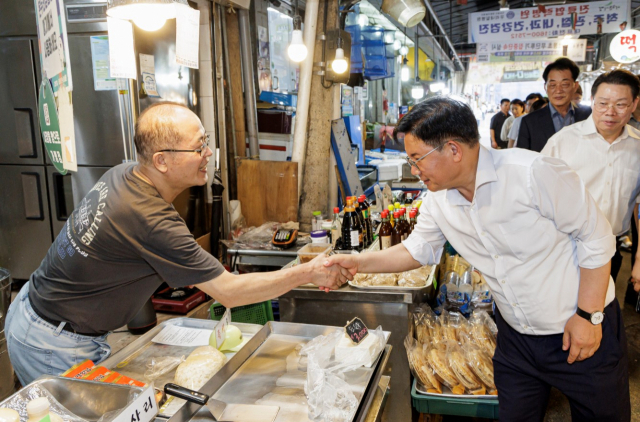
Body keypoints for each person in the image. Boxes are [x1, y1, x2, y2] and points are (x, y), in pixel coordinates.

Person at [328, 97, 630, 422]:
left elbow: (596, 237)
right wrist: (357, 263)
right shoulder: (438, 202)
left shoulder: (533, 173)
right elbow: (417, 250)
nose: (414, 171)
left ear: (454, 150)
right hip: (516, 341)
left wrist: (589, 315)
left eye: (418, 160)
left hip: (579, 327)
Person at [5, 102, 348, 385]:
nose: (208, 153)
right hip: (52, 340)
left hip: (41, 313)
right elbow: (229, 292)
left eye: (206, 141)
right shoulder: (149, 217)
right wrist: (308, 272)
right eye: (198, 147)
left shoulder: (124, 173)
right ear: (161, 161)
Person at [542, 69, 640, 283]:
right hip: (564, 247)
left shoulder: (638, 145)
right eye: (603, 103)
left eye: (621, 105)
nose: (610, 112)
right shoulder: (562, 142)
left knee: (601, 312)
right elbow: (537, 196)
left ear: (634, 105)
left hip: (610, 249)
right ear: (593, 101)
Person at [518, 58, 592, 152]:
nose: (558, 90)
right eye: (553, 85)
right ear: (545, 87)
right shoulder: (529, 122)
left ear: (575, 86)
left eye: (565, 84)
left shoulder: (589, 115)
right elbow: (522, 158)